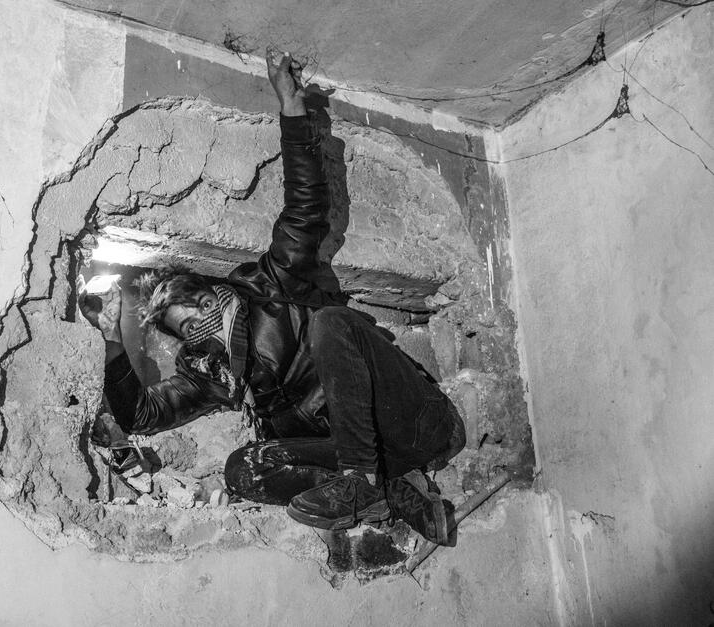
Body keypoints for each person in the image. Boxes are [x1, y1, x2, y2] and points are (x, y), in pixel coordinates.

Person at [84, 49, 465, 545]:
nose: (201, 330)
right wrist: (112, 340)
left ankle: (366, 482)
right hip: (371, 459)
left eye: (199, 312)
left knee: (331, 324)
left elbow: (305, 208)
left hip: (415, 422)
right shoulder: (213, 375)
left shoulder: (273, 284)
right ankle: (388, 491)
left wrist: (292, 108)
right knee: (244, 469)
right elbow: (140, 416)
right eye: (188, 331)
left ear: (215, 294)